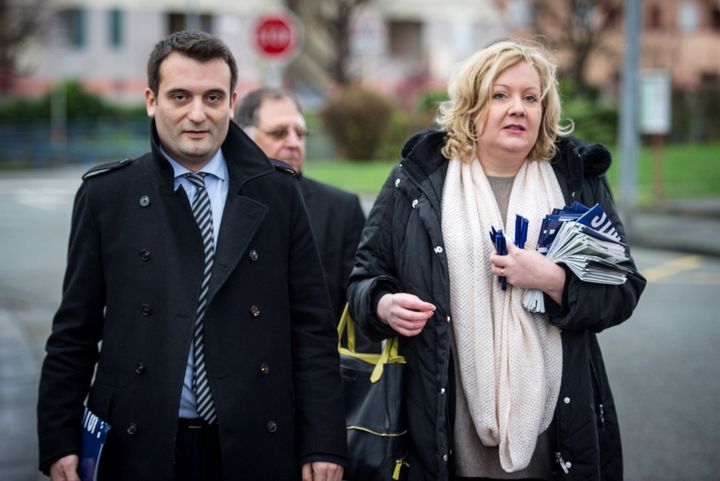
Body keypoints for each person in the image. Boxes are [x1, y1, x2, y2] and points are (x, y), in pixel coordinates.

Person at [37, 30, 346, 481]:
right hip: (139, 441)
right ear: (151, 100)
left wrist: (324, 443)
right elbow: (74, 333)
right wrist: (59, 436)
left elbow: (312, 329)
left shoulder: (278, 192)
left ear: (232, 103)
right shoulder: (108, 196)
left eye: (213, 97)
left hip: (256, 440)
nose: (197, 114)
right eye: (180, 96)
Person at [347, 39, 646, 481]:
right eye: (500, 95)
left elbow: (623, 291)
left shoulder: (577, 180)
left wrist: (554, 280)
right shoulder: (415, 182)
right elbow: (362, 281)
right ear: (471, 106)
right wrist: (383, 305)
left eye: (531, 98)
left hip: (556, 434)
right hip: (444, 431)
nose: (518, 109)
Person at [237, 88, 377, 351]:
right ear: (245, 138)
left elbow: (357, 306)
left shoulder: (340, 209)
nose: (293, 142)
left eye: (300, 133)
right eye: (279, 133)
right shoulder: (222, 201)